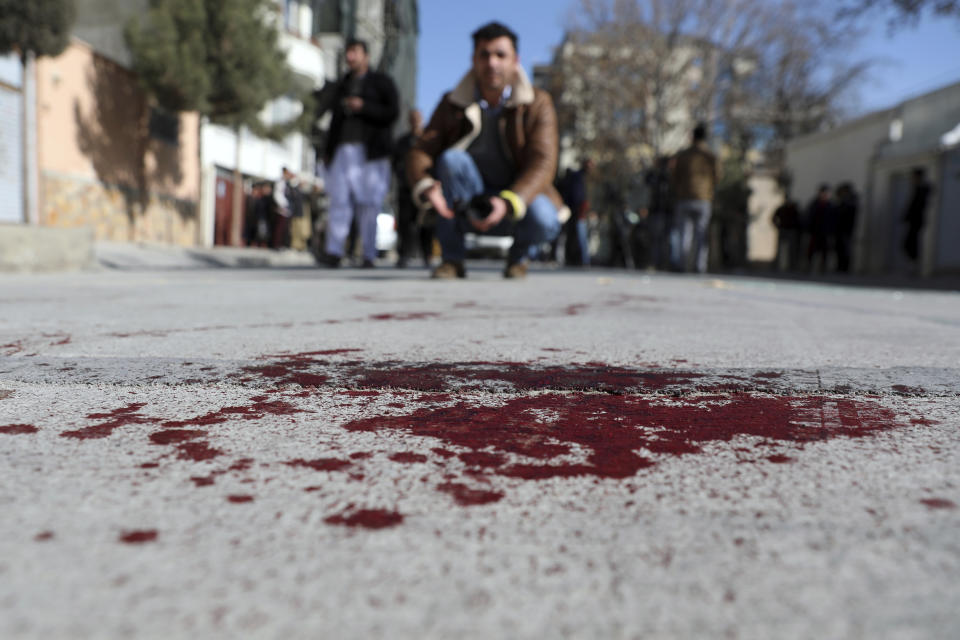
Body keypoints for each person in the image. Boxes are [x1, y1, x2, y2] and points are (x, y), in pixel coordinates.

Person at [406, 22, 566, 279]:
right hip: (468, 198)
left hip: (515, 201)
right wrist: (425, 185)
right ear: (473, 60)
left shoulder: (537, 103)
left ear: (515, 60)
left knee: (546, 219)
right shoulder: (451, 103)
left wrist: (507, 202)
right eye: (485, 54)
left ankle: (518, 259)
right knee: (451, 160)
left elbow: (543, 162)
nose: (492, 63)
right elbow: (420, 151)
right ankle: (452, 260)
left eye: (500, 55)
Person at [319, 38, 399, 267]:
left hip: (371, 152)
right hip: (343, 151)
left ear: (366, 56)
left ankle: (368, 254)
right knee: (339, 201)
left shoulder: (381, 82)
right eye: (348, 52)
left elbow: (391, 112)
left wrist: (364, 106)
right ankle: (334, 251)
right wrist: (328, 150)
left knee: (370, 203)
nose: (350, 57)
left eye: (354, 52)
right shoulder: (342, 85)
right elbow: (333, 121)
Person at [670, 123, 718, 273]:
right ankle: (700, 266)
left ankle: (682, 265)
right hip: (703, 198)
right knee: (701, 233)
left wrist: (678, 189)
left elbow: (674, 175)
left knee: (685, 233)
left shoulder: (683, 155)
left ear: (693, 136)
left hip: (684, 197)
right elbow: (718, 176)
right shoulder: (710, 156)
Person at [392, 108, 433, 267]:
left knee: (427, 223)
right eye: (412, 118)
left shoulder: (428, 139)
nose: (415, 121)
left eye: (417, 117)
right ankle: (404, 255)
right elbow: (395, 163)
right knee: (405, 223)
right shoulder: (402, 142)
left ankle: (427, 255)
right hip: (405, 188)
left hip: (424, 189)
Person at [559, 158, 594, 266]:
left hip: (581, 210)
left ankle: (578, 259)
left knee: (579, 235)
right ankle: (577, 259)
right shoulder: (578, 177)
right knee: (578, 235)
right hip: (577, 210)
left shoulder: (588, 178)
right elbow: (577, 195)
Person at [903, 167, 932, 266]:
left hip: (917, 220)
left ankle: (914, 263)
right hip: (913, 220)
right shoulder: (917, 188)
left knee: (911, 243)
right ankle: (912, 262)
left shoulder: (923, 188)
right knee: (908, 243)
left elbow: (918, 205)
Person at [805, 184, 833, 273]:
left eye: (827, 193)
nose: (825, 195)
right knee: (811, 250)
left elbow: (835, 220)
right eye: (823, 193)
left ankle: (823, 268)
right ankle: (809, 267)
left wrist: (832, 231)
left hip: (826, 232)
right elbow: (809, 217)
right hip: (815, 231)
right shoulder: (814, 204)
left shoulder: (831, 206)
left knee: (825, 251)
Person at [272, 167, 302, 250]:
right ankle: (276, 245)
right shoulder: (280, 182)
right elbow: (277, 195)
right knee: (279, 228)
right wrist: (284, 204)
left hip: (286, 208)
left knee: (284, 228)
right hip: (282, 207)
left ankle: (281, 244)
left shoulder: (286, 182)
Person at [834, 182, 858, 273]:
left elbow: (845, 216)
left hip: (846, 230)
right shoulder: (844, 202)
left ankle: (844, 268)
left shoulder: (850, 203)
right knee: (839, 249)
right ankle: (840, 267)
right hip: (840, 230)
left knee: (845, 250)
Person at [772, 197, 801, 272]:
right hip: (783, 230)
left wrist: (796, 228)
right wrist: (778, 226)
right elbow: (773, 218)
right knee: (779, 249)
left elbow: (799, 220)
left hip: (791, 231)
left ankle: (792, 267)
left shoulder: (794, 209)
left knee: (792, 250)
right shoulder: (781, 209)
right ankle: (777, 266)